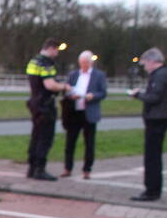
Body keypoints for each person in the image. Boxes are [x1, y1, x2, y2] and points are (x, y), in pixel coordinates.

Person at [128, 47, 167, 201]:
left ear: (152, 61)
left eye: (145, 63)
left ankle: (152, 190)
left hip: (156, 119)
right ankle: (153, 189)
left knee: (152, 156)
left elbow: (155, 97)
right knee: (153, 155)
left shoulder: (160, 76)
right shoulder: (166, 73)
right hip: (160, 118)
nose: (145, 67)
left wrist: (137, 95)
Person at [25, 38, 73, 181]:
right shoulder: (46, 63)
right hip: (45, 104)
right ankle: (40, 169)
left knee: (36, 136)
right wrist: (64, 87)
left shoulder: (33, 61)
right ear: (51, 48)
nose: (57, 53)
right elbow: (49, 84)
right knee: (45, 137)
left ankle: (32, 167)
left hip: (34, 101)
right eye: (57, 50)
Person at [60, 50, 107, 179]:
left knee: (89, 143)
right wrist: (70, 95)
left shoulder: (99, 76)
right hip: (74, 112)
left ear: (91, 62)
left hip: (89, 112)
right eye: (81, 63)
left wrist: (93, 96)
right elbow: (66, 90)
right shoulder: (73, 74)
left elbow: (103, 93)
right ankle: (67, 168)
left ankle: (87, 170)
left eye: (86, 62)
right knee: (70, 142)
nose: (84, 65)